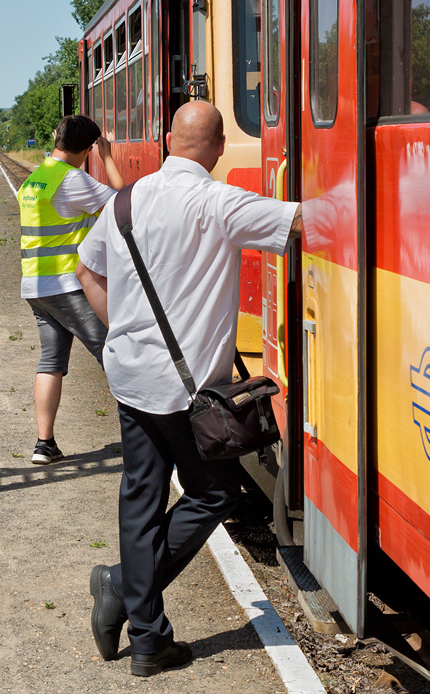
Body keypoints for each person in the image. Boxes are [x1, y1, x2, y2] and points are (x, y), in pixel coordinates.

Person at [75, 100, 301, 677]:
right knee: (215, 493)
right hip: (188, 390)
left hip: (129, 376)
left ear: (169, 141)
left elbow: (86, 272)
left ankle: (147, 637)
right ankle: (127, 594)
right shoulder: (219, 201)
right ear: (220, 147)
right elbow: (299, 222)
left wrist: (121, 333)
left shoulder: (125, 201)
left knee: (141, 500)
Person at [16, 114, 125, 464]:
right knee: (116, 355)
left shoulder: (36, 179)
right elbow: (125, 205)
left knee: (50, 361)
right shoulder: (72, 180)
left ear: (56, 138)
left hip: (36, 285)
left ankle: (44, 444)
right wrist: (108, 159)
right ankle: (146, 439)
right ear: (89, 147)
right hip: (67, 286)